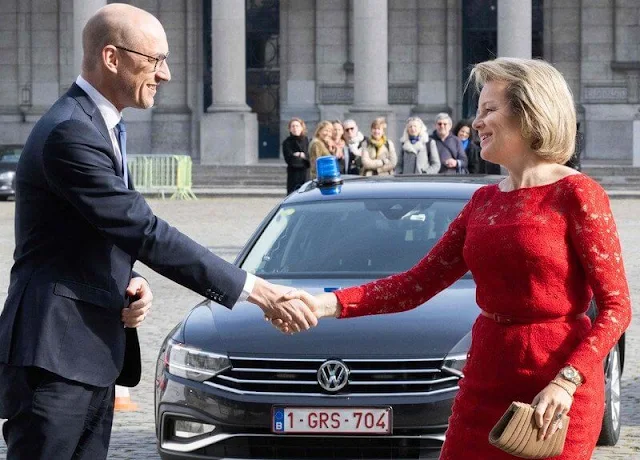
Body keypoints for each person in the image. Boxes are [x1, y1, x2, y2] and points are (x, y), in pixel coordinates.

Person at [274, 57, 632, 459]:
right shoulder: (482, 201)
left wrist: (568, 380)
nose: (476, 123)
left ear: (531, 112)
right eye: (477, 113)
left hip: (556, 389)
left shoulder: (578, 195)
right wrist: (323, 304)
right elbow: (414, 285)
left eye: (488, 110)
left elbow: (616, 308)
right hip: (485, 378)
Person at [0, 4, 315, 459]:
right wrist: (257, 291)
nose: (164, 74)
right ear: (112, 58)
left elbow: (101, 233)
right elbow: (144, 230)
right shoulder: (70, 131)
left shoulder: (98, 124)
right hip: (54, 356)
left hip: (87, 352)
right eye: (154, 60)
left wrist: (131, 282)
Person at [282, 117, 310, 193]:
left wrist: (299, 155)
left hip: (306, 174)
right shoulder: (287, 142)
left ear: (302, 128)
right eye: (293, 126)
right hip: (293, 175)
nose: (295, 128)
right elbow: (290, 160)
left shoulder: (307, 140)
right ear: (290, 129)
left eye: (297, 126)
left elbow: (309, 159)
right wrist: (303, 157)